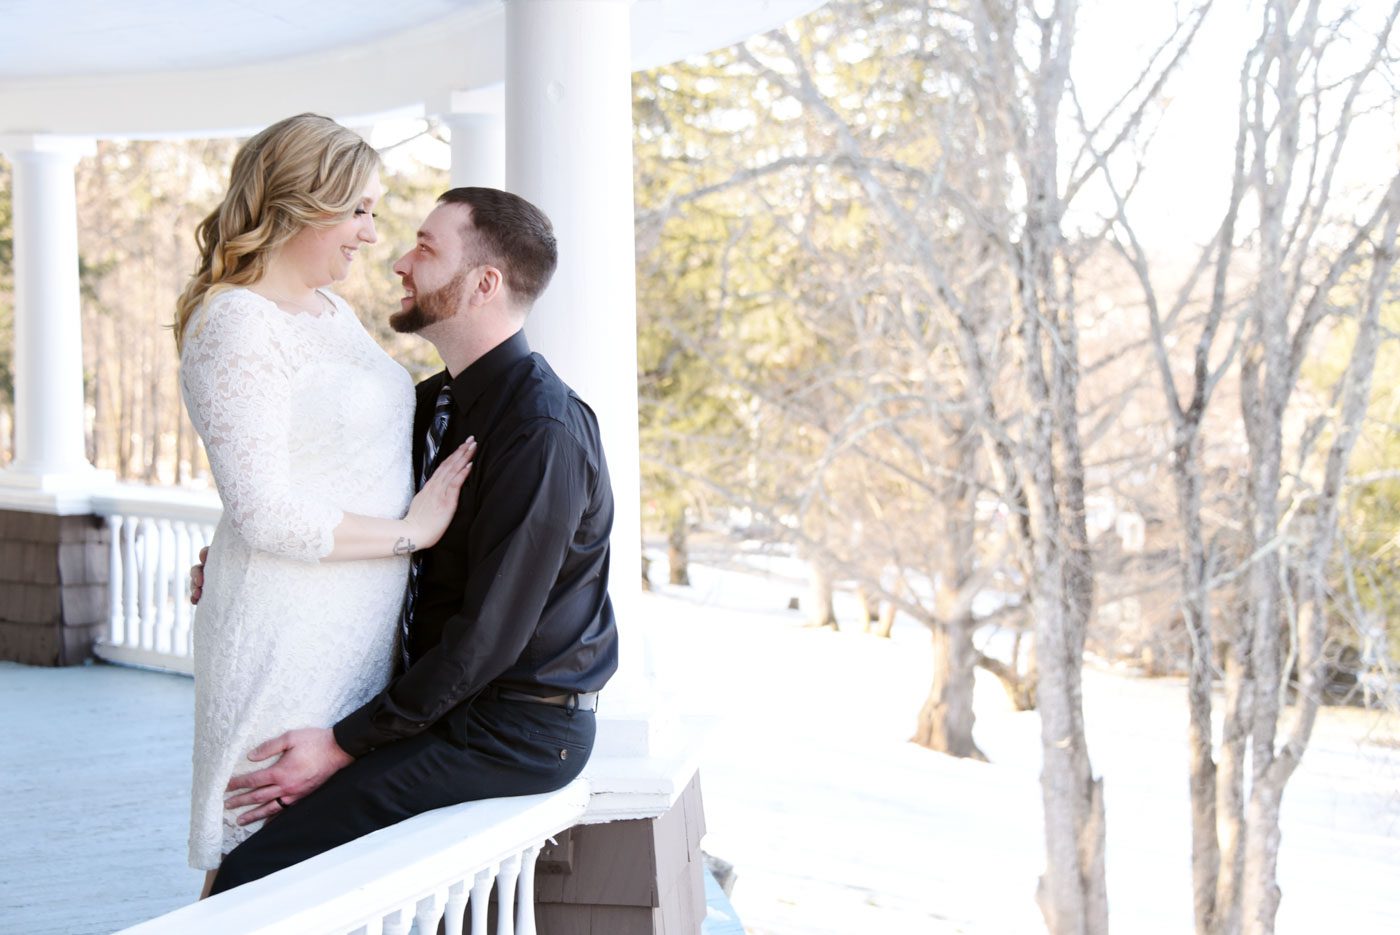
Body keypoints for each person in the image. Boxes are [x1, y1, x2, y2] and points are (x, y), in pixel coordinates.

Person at [201, 186, 619, 894]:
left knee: (258, 867)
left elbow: (489, 637)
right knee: (256, 849)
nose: (398, 260)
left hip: (512, 727)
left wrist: (341, 745)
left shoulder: (540, 432)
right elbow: (324, 499)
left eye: (426, 248)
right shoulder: (436, 404)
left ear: (484, 283)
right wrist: (245, 561)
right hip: (444, 704)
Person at [175, 114, 474, 896]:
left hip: (353, 620)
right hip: (288, 625)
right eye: (360, 211)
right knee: (257, 846)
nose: (372, 236)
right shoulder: (236, 320)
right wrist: (413, 532)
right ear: (301, 204)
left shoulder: (330, 313)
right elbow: (266, 509)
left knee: (317, 859)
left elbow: (323, 459)